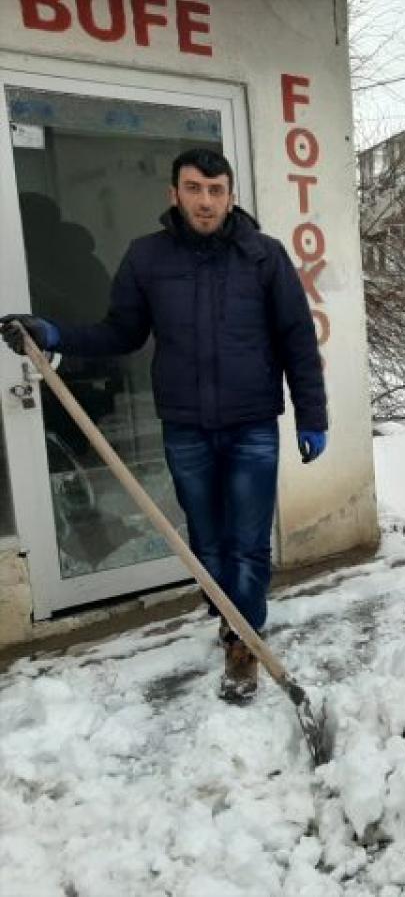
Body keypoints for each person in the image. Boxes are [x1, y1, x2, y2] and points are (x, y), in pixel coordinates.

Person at [1, 148, 328, 703]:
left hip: (252, 423)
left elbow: (298, 342)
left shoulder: (264, 258)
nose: (206, 200)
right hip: (185, 427)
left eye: (216, 190)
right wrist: (55, 335)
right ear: (174, 193)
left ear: (231, 196)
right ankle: (232, 616)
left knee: (248, 542)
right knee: (207, 541)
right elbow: (121, 333)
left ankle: (241, 640)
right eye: (195, 188)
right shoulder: (147, 258)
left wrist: (313, 416)